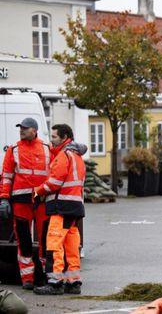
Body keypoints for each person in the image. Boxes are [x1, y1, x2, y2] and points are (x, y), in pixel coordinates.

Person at [33, 124, 87, 295]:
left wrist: (38, 191)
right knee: (71, 246)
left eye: (54, 137)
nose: (51, 140)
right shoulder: (77, 156)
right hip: (75, 207)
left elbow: (54, 183)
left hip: (61, 207)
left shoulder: (63, 156)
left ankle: (55, 283)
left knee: (54, 244)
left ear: (64, 138)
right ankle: (73, 282)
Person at [0, 118, 50, 290]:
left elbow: (56, 170)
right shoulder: (13, 150)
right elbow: (6, 175)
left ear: (34, 130)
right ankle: (27, 278)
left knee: (45, 239)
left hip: (42, 200)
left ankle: (43, 276)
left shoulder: (47, 149)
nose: (21, 130)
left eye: (25, 128)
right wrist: (4, 198)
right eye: (20, 127)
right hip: (20, 202)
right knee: (24, 239)